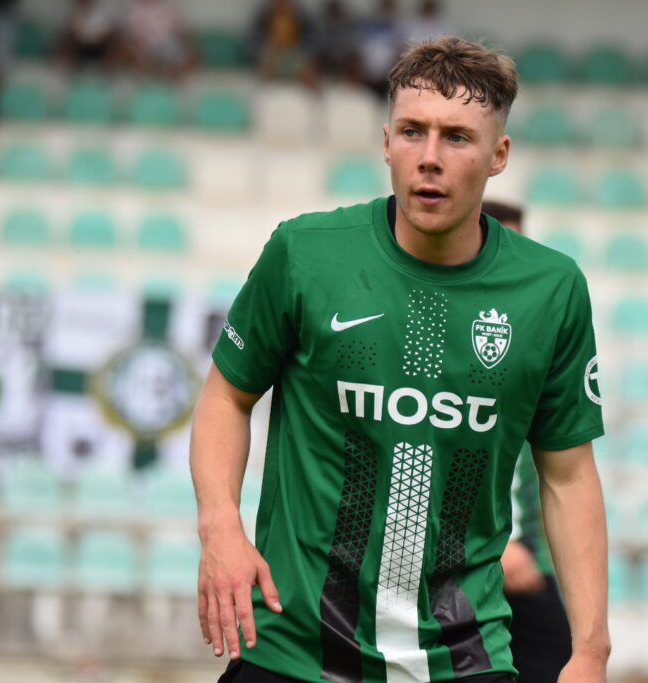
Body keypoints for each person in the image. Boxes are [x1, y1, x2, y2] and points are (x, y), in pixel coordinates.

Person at [190, 36, 610, 683]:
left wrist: (590, 649)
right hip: (295, 652)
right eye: (413, 132)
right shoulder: (306, 254)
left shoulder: (551, 291)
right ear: (387, 142)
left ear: (499, 155)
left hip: (463, 658)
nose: (430, 158)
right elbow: (226, 394)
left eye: (457, 138)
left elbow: (569, 475)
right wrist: (221, 526)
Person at [482, 200, 574, 682]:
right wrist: (503, 545)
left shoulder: (533, 328)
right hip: (488, 559)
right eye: (500, 241)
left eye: (519, 244)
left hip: (528, 559)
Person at [119, 0, 196, 80]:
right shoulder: (135, 9)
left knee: (185, 53)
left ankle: (176, 75)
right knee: (131, 52)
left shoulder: (168, 7)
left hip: (168, 45)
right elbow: (132, 36)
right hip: (145, 48)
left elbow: (180, 30)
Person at [57, 0, 119, 73]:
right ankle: (68, 70)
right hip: (80, 45)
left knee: (112, 41)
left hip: (100, 45)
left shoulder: (101, 13)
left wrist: (94, 38)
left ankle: (110, 70)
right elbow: (75, 31)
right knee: (68, 40)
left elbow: (106, 32)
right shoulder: (75, 14)